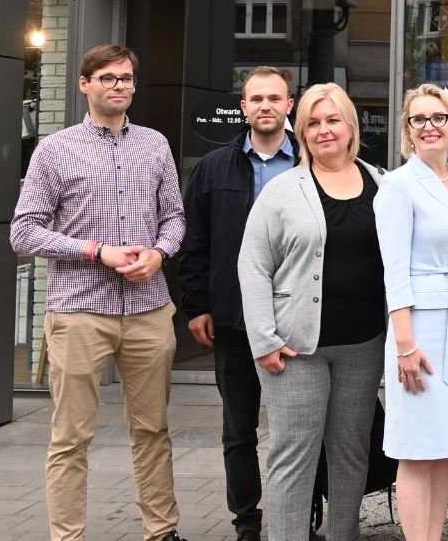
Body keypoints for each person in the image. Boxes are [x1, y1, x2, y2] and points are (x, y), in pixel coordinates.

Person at [10, 44, 188, 541]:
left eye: (127, 78)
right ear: (85, 84)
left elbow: (174, 216)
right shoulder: (55, 149)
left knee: (153, 430)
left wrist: (159, 253)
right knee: (71, 438)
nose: (119, 86)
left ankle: (162, 529)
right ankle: (68, 536)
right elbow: (23, 232)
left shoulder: (154, 144)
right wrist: (97, 251)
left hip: (148, 308)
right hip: (80, 312)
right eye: (108, 78)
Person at [238, 83, 387, 541]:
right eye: (313, 123)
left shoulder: (383, 184)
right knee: (293, 457)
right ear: (301, 131)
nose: (324, 130)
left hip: (363, 345)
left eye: (332, 120)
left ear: (350, 126)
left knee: (351, 455)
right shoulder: (283, 191)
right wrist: (263, 339)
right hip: (296, 348)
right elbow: (252, 265)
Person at [180, 66, 297, 541]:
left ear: (290, 105)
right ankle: (247, 519)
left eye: (275, 98)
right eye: (256, 98)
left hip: (299, 319)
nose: (265, 105)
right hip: (233, 320)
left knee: (301, 431)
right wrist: (197, 305)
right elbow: (195, 241)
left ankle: (301, 512)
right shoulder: (214, 167)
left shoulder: (310, 162)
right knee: (239, 429)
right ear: (243, 106)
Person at [375, 85, 448, 541]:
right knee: (417, 447)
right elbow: (395, 271)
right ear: (407, 131)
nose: (429, 126)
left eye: (438, 117)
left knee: (447, 445)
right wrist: (405, 345)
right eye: (418, 119)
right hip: (423, 329)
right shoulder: (398, 186)